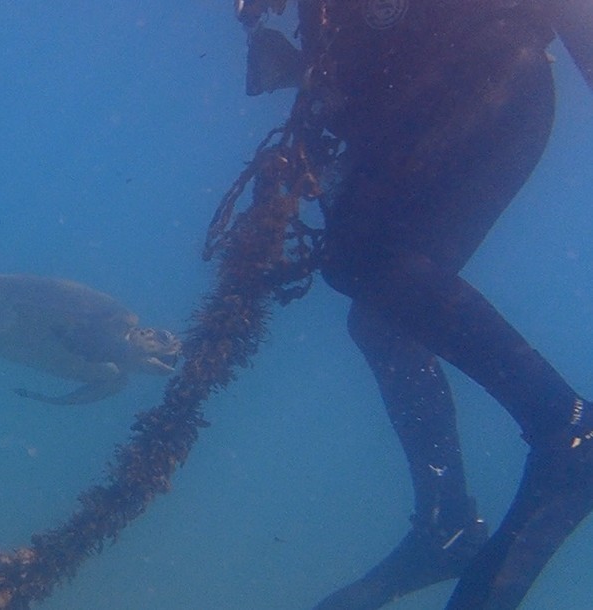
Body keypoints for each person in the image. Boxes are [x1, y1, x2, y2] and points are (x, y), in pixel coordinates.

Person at [236, 0, 593, 608]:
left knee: (365, 259)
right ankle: (445, 524)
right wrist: (302, 71)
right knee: (381, 312)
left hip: (492, 70)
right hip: (436, 99)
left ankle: (565, 432)